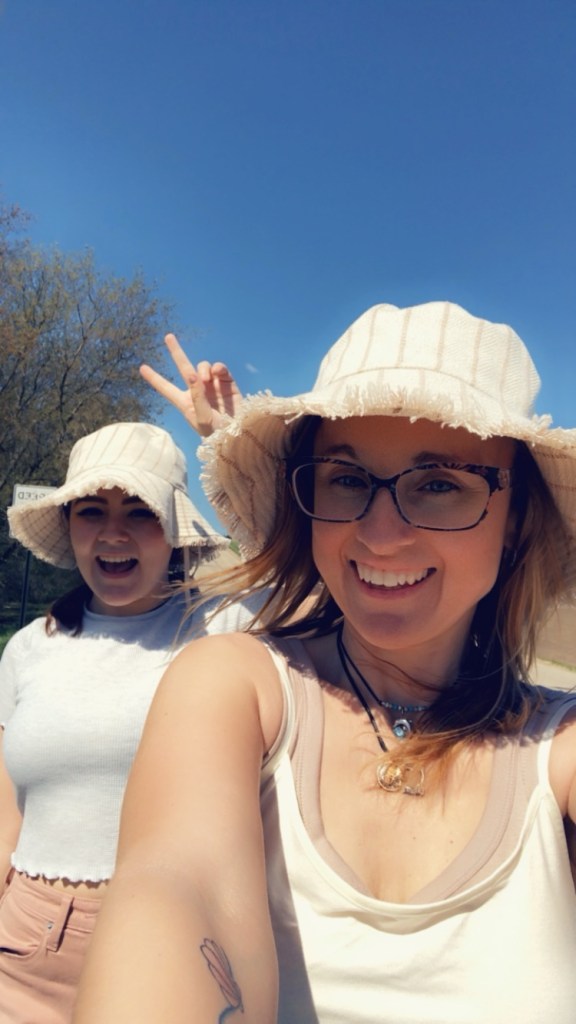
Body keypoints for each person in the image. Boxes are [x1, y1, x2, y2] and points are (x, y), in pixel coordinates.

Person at [74, 302, 576, 1024]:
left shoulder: (558, 748)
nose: (380, 534)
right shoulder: (235, 687)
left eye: (439, 484)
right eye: (345, 479)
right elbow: (178, 888)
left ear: (516, 516)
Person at [0, 421, 260, 1024]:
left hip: (165, 947)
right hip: (24, 940)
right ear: (70, 525)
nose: (113, 533)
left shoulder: (224, 627)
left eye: (140, 512)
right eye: (91, 511)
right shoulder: (29, 647)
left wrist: (233, 443)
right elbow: (8, 805)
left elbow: (312, 580)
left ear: (175, 530)